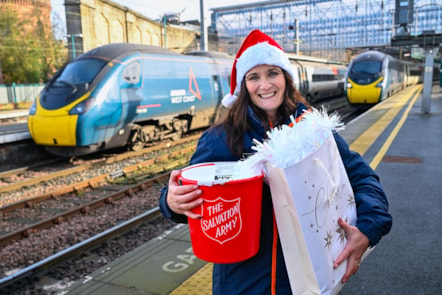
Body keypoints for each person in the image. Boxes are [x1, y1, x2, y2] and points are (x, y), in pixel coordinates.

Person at [159, 29, 392, 294]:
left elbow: (362, 177)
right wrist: (171, 201)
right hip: (241, 285)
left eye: (273, 73)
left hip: (308, 281)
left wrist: (368, 227)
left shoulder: (313, 129)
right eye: (253, 77)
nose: (265, 85)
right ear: (243, 87)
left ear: (286, 78)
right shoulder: (221, 139)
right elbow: (187, 194)